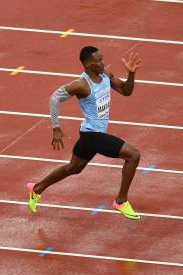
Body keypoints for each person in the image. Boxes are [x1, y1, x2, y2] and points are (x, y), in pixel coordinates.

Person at [26, 46, 143, 220]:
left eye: (102, 59)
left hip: (90, 134)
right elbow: (54, 98)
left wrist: (131, 74)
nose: (103, 63)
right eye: (99, 60)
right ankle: (121, 200)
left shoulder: (106, 76)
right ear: (88, 63)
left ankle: (36, 189)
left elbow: (126, 91)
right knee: (133, 155)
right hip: (92, 136)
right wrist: (56, 127)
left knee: (73, 168)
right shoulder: (81, 84)